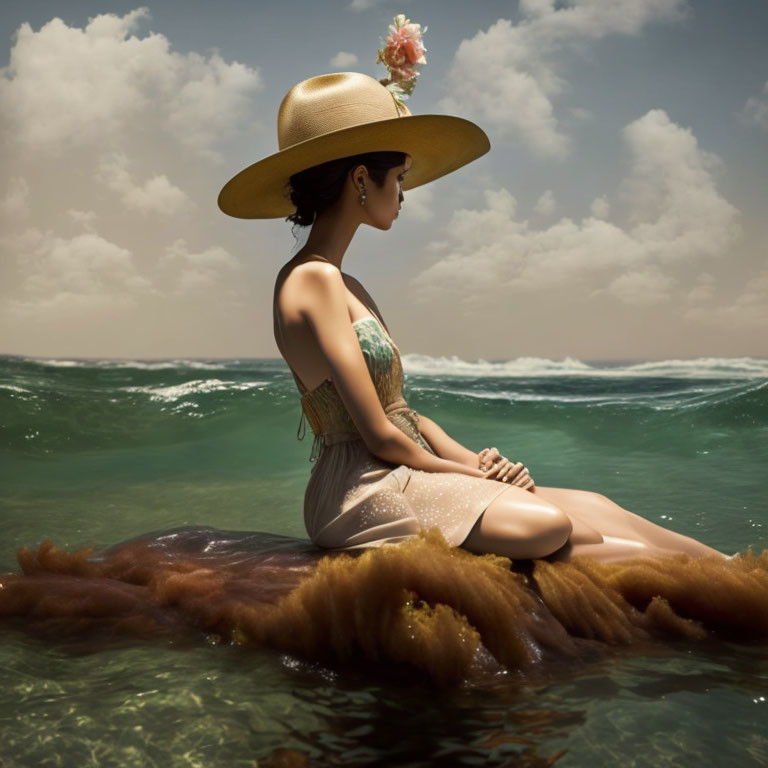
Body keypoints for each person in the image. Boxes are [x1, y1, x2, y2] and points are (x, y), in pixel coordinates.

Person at [218, 72, 725, 564]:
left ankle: (734, 570)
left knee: (593, 507)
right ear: (359, 180)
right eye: (398, 178)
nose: (403, 194)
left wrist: (477, 461)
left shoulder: (347, 284)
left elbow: (403, 415)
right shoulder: (314, 280)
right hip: (361, 488)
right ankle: (725, 582)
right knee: (551, 525)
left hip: (402, 466)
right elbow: (376, 434)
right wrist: (467, 479)